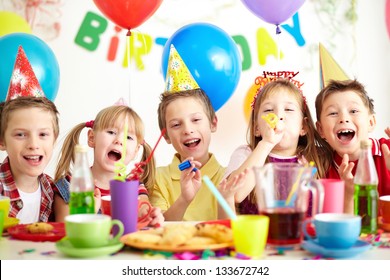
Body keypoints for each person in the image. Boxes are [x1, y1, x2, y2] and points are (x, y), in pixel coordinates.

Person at [223, 72, 333, 215]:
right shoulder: (245, 154)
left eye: (288, 109)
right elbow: (236, 194)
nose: (278, 116)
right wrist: (266, 143)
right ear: (257, 128)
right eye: (269, 110)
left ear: (303, 127)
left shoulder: (318, 158)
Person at [54, 104, 164, 226]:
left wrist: (151, 216)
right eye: (111, 132)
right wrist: (88, 213)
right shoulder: (69, 185)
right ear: (92, 138)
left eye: (128, 137)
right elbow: (64, 228)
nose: (119, 140)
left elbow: (143, 210)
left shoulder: (134, 187)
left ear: (135, 151)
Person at [315, 79, 390, 213]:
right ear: (320, 129)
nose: (344, 118)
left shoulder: (387, 150)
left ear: (371, 122)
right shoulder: (321, 167)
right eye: (333, 113)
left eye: (354, 111)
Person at [0, 96, 67, 223]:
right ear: (2, 141)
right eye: (20, 134)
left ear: (54, 139)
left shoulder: (51, 189)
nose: (33, 144)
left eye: (42, 134)